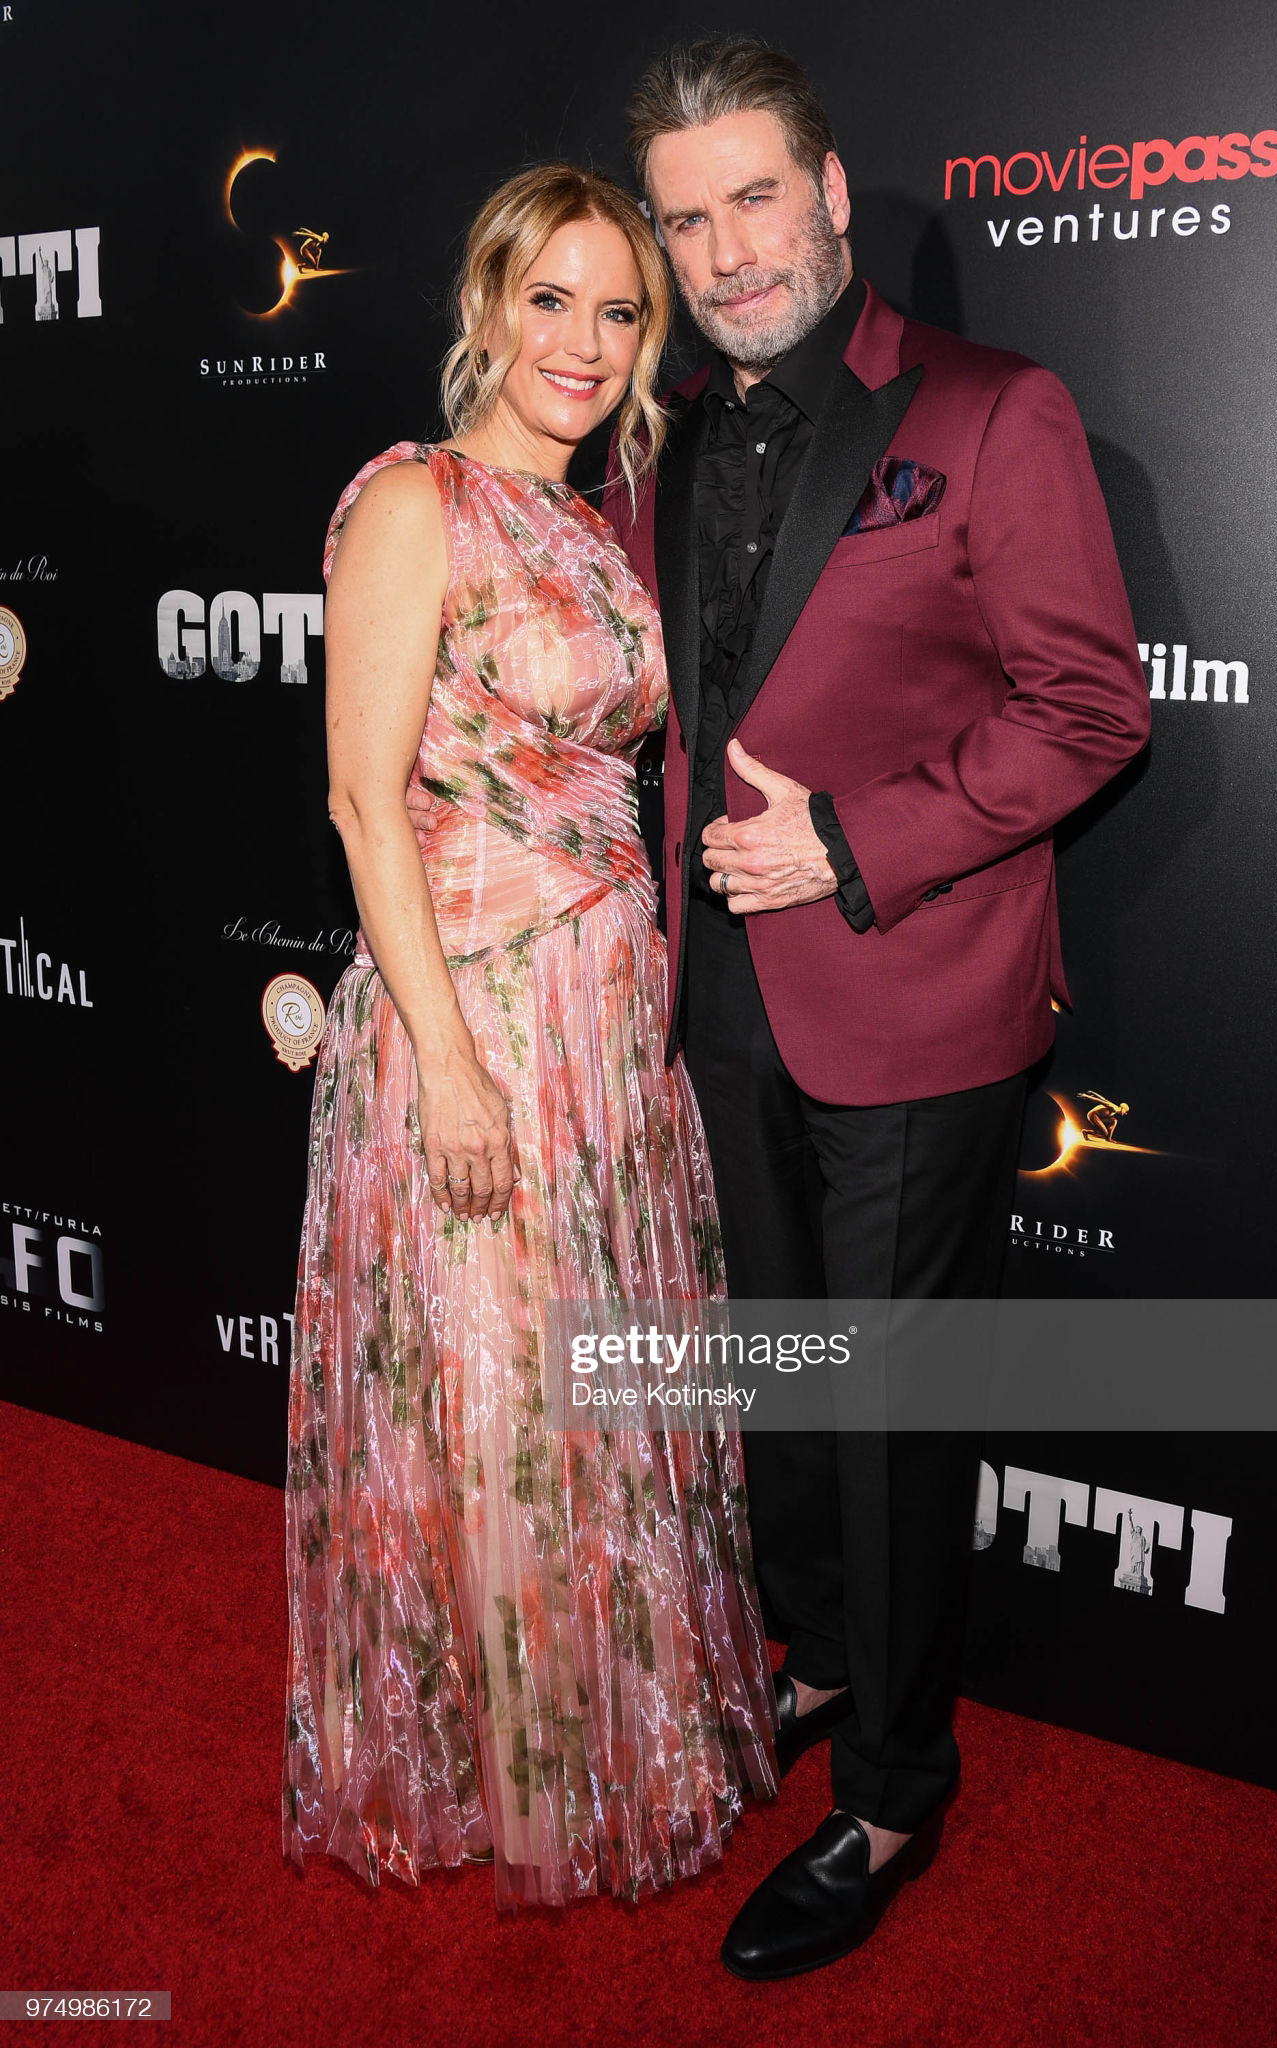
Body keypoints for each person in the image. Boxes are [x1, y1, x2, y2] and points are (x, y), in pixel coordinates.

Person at [606, 36, 1153, 1978]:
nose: (724, 247)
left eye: (753, 197)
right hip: (722, 999)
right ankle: (825, 1660)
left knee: (888, 1411)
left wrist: (854, 841)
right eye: (685, 217)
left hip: (914, 995)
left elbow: (1090, 707)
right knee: (778, 1377)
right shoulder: (660, 432)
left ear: (832, 197)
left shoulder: (993, 409)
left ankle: (893, 1792)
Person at [281, 162, 778, 1913]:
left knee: (592, 1404)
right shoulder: (417, 503)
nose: (580, 341)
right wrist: (455, 1065)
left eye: (618, 309)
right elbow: (360, 802)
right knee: (494, 1412)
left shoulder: (596, 519)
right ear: (485, 307)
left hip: (603, 1027)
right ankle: (519, 1777)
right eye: (549, 300)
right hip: (476, 1012)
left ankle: (608, 1730)